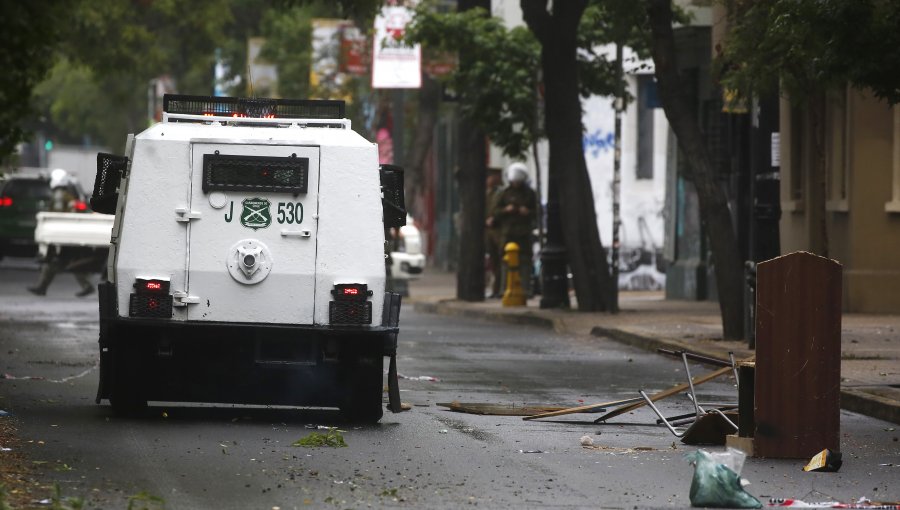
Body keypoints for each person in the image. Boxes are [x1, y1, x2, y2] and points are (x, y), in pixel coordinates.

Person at [27, 169, 95, 297]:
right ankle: (43, 287)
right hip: (69, 234)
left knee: (60, 262)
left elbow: (58, 215)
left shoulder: (59, 195)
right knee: (68, 261)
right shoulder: (68, 195)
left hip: (63, 234)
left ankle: (42, 287)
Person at [491, 162, 536, 297]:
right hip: (507, 233)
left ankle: (525, 290)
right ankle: (504, 289)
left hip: (524, 232)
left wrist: (527, 212)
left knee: (525, 262)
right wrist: (506, 210)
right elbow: (494, 212)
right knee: (505, 262)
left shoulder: (529, 194)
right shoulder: (504, 193)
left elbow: (537, 211)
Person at [484, 168, 504, 298]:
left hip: (499, 231)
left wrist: (494, 218)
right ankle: (495, 289)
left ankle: (499, 289)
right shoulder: (487, 193)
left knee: (500, 262)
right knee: (493, 262)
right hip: (489, 232)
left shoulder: (501, 193)